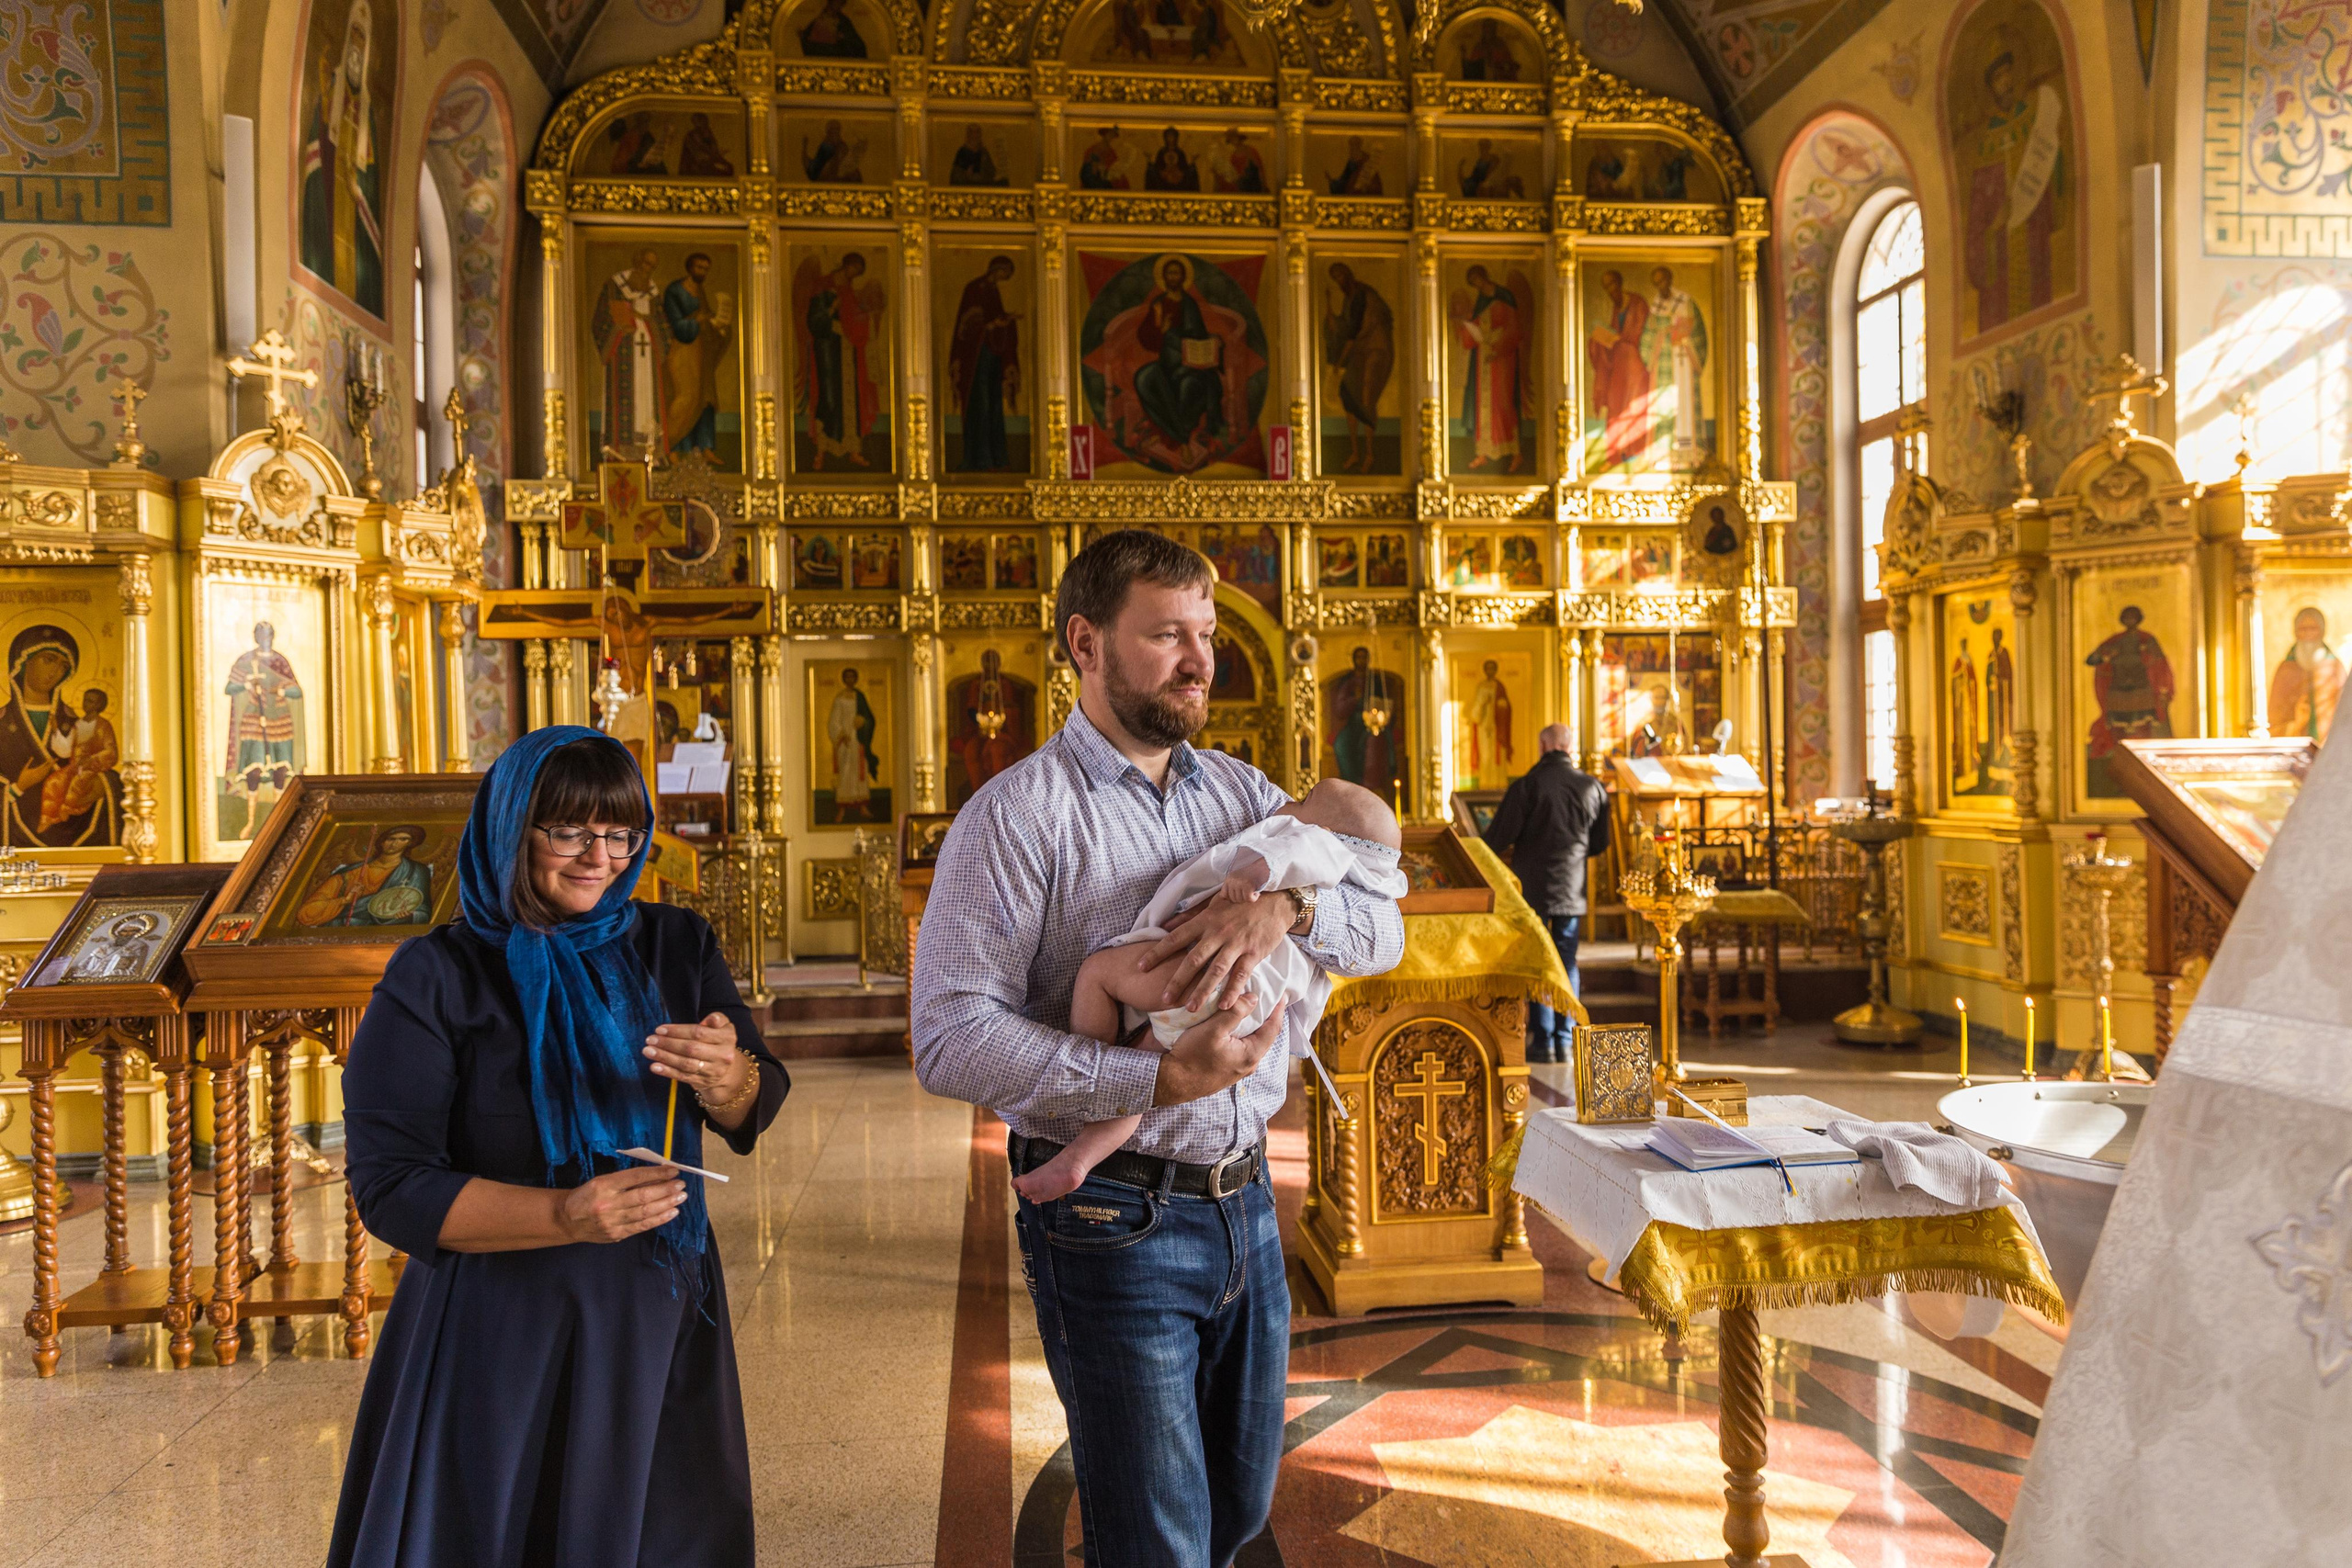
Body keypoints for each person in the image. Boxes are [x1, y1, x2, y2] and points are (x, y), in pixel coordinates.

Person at [912, 530, 1404, 1566]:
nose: (1199, 661)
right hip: (1112, 1213)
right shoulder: (1014, 818)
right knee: (1155, 1540)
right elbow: (949, 1037)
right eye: (1167, 636)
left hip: (1245, 1201)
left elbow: (1384, 935)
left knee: (1234, 1516)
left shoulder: (1242, 794)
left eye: (1208, 635)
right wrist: (1151, 1076)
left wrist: (1291, 906)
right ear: (1085, 644)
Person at [328, 728, 787, 1565]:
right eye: (568, 832)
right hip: (501, 1322)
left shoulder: (675, 944)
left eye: (620, 834)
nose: (599, 858)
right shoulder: (435, 975)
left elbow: (757, 1096)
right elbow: (391, 1184)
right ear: (512, 827)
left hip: (655, 1312)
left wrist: (729, 1078)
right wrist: (564, 1213)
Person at [1013, 778, 1408, 1202]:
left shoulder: (1308, 838)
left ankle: (1093, 1077)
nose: (1289, 800)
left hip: (1212, 980)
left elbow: (1385, 936)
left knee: (1098, 975)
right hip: (1244, 1008)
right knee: (1146, 1058)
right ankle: (1082, 1157)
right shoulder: (1342, 865)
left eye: (1306, 798)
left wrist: (1271, 894)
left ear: (1330, 832)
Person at [1482, 723, 1611, 1064]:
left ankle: (1543, 1043)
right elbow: (1600, 843)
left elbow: (1496, 840)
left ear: (1543, 746)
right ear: (1570, 748)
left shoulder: (1527, 786)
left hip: (1532, 888)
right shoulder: (1592, 787)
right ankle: (1565, 1039)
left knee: (1538, 959)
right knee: (1567, 960)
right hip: (1572, 888)